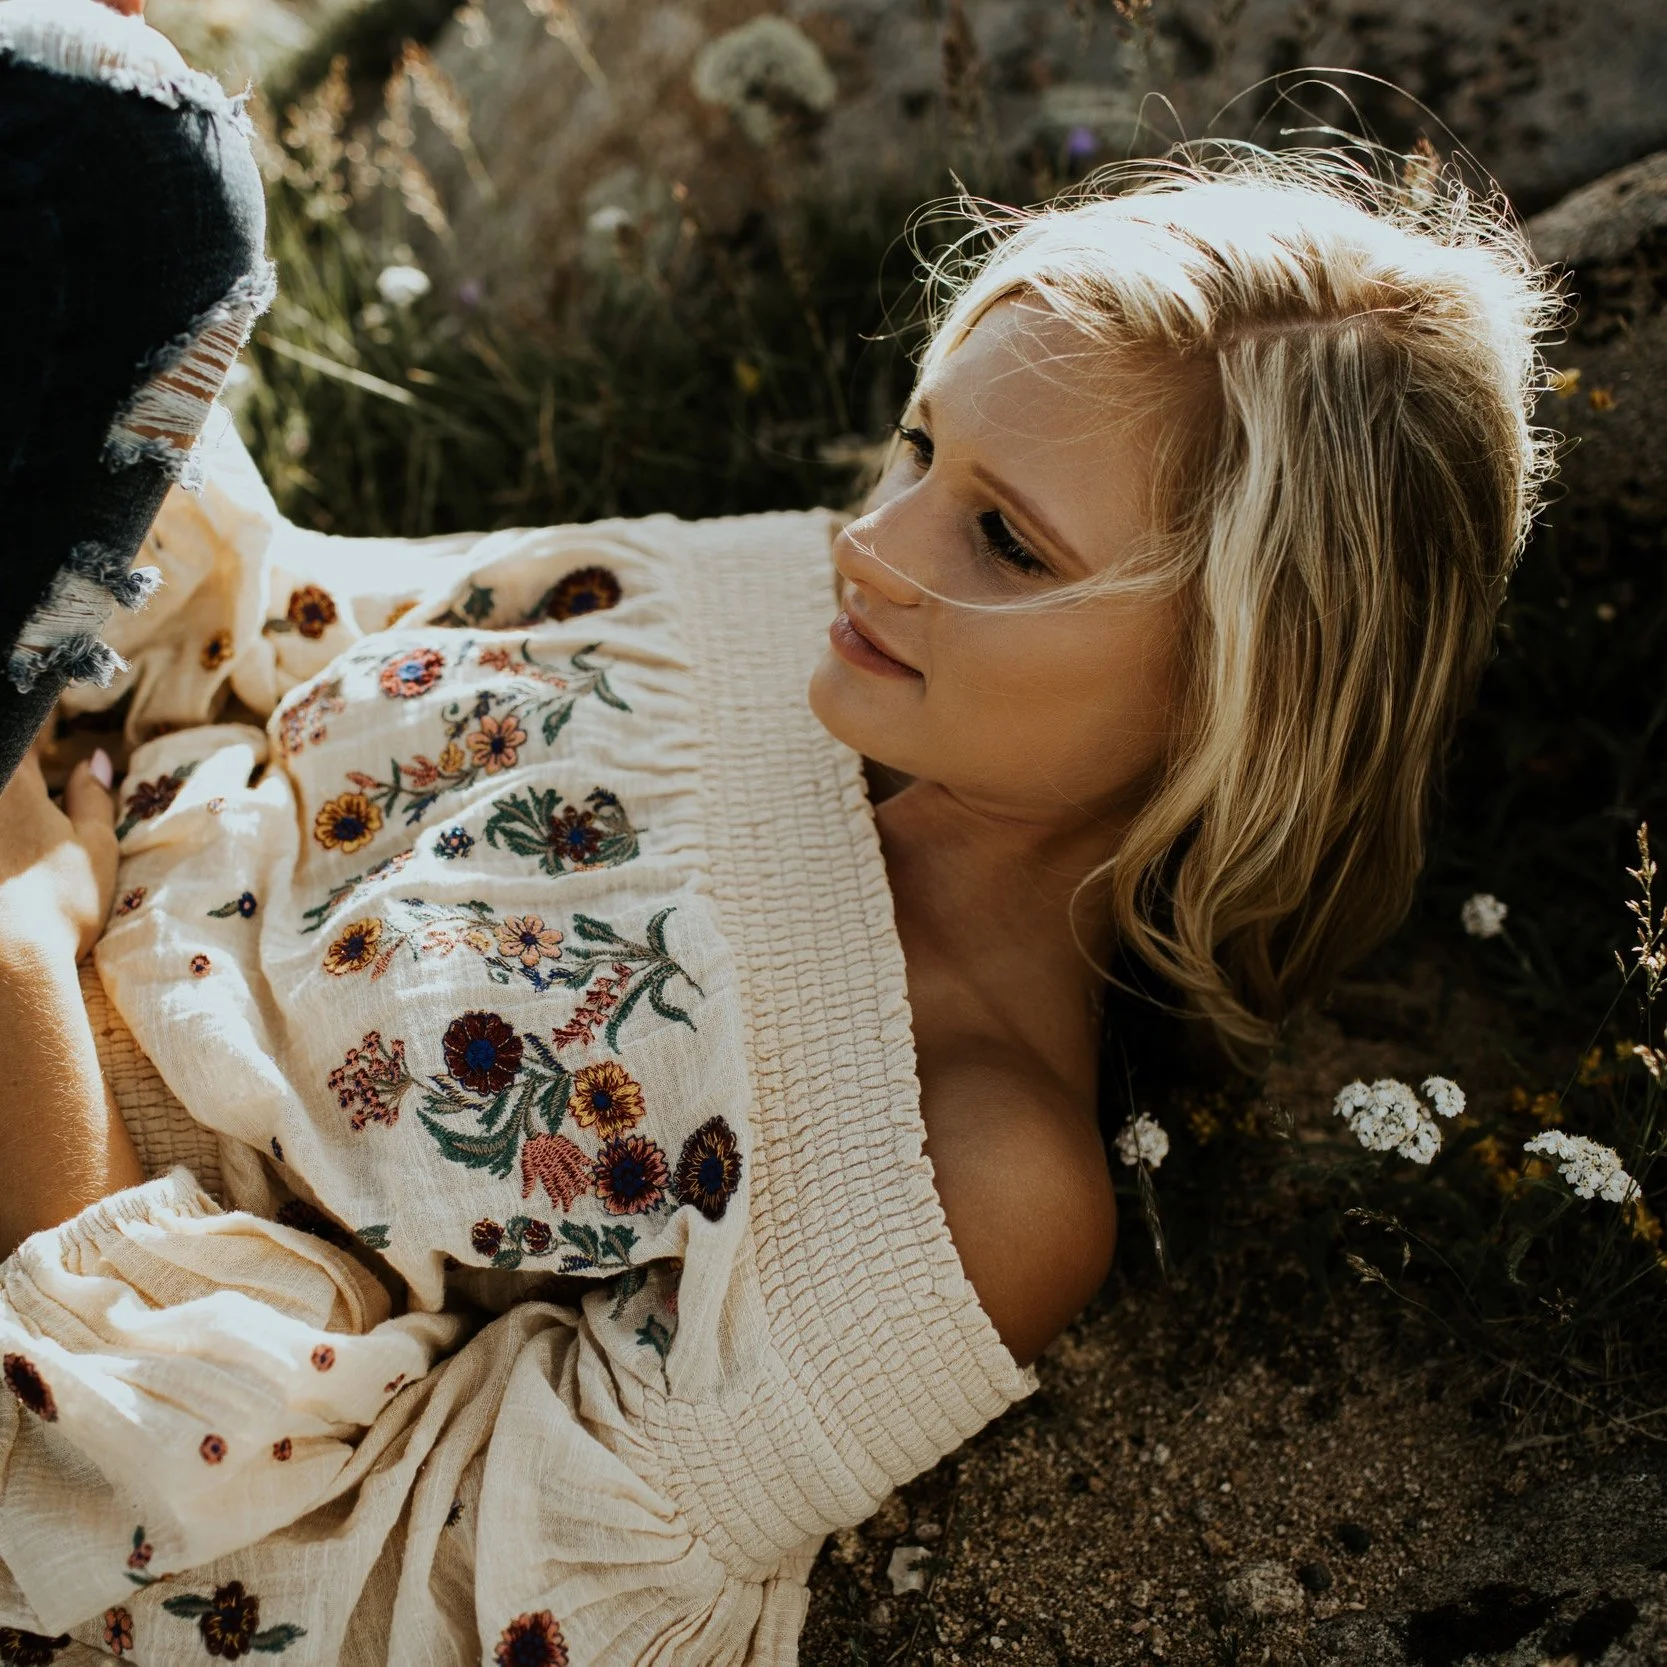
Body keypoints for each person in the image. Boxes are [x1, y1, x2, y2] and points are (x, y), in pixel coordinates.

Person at [0, 1, 1558, 1660]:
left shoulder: (979, 1173)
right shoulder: (785, 623)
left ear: (1247, 685)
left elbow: (348, 1581)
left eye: (1005, 541)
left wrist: (25, 940)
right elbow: (280, 617)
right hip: (55, 745)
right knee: (142, 156)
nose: (874, 541)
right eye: (918, 445)